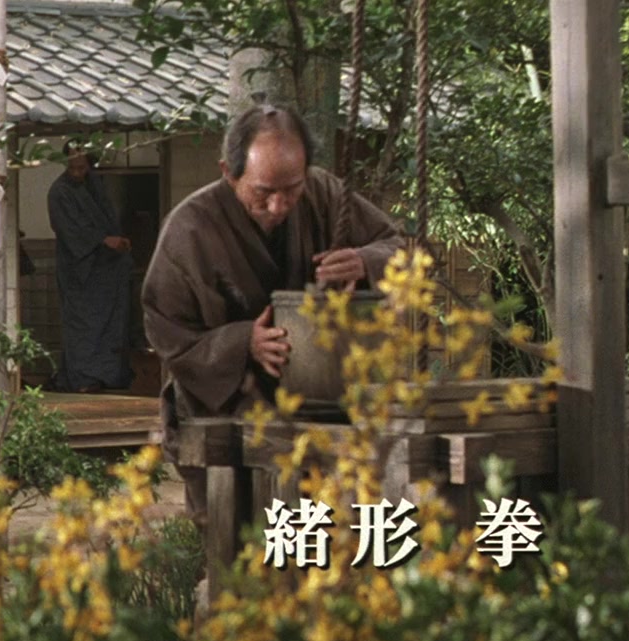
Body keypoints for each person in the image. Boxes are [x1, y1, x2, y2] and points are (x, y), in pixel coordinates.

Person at [141, 104, 406, 523]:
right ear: (229, 172)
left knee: (328, 530)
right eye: (264, 192)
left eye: (292, 189)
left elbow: (398, 247)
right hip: (225, 408)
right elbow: (165, 327)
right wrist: (243, 342)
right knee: (241, 535)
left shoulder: (324, 194)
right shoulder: (189, 228)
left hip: (322, 401)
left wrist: (365, 260)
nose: (280, 204)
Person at [47, 143, 134, 393]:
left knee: (112, 324)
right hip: (79, 269)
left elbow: (108, 218)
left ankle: (109, 375)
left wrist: (117, 240)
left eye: (82, 167)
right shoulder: (59, 192)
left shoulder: (94, 183)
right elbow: (69, 231)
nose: (77, 172)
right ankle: (82, 377)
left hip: (106, 268)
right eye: (73, 167)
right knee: (82, 326)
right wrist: (102, 240)